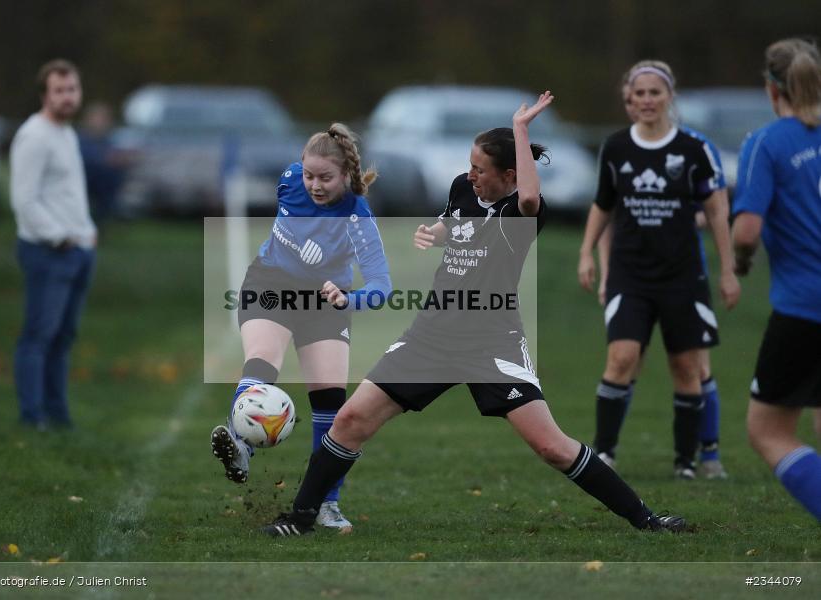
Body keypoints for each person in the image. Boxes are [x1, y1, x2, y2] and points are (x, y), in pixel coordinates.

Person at [262, 91, 686, 537]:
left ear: (508, 175)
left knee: (551, 446)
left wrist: (521, 130)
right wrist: (436, 232)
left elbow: (527, 199)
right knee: (351, 420)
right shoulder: (464, 188)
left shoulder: (522, 211)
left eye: (481, 169)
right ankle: (301, 518)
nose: (470, 174)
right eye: (470, 165)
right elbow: (456, 220)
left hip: (492, 340)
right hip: (433, 333)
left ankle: (646, 519)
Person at [211, 123, 392, 530]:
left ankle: (327, 503)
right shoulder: (290, 180)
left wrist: (351, 299)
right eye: (309, 175)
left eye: (325, 178)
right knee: (261, 363)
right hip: (270, 283)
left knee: (331, 402)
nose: (314, 185)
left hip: (326, 301)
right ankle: (241, 446)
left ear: (347, 175)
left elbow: (382, 285)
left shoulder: (357, 217)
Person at [578, 60, 740, 481]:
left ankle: (688, 462)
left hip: (682, 277)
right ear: (629, 100)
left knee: (687, 368)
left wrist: (728, 270)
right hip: (630, 275)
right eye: (641, 93)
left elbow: (717, 210)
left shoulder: (692, 149)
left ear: (670, 97)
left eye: (656, 92)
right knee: (622, 357)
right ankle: (605, 454)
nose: (648, 100)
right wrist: (586, 254)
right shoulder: (615, 147)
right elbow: (603, 205)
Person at [732, 37, 821, 521]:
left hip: (806, 306)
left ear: (771, 89)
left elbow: (747, 230)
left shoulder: (767, 142)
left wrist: (741, 260)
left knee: (768, 431)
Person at [10, 59, 97, 431]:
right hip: (50, 252)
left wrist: (86, 233)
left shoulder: (66, 132)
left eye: (72, 89)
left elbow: (66, 194)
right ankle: (32, 417)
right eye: (59, 91)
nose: (67, 97)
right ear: (45, 95)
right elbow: (24, 201)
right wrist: (60, 237)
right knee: (39, 336)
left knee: (63, 337)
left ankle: (58, 415)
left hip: (79, 250)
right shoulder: (35, 135)